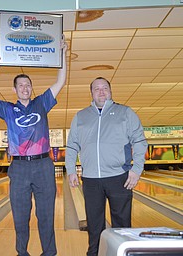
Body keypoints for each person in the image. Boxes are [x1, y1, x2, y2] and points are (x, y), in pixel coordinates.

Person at [0, 37, 67, 256]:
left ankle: (49, 253)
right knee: (20, 215)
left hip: (44, 164)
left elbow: (60, 81)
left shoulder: (41, 103)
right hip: (19, 167)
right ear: (15, 89)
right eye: (21, 85)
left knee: (45, 214)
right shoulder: (7, 109)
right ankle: (22, 253)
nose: (25, 88)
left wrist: (63, 53)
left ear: (31, 88)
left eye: (28, 84)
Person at [65, 77, 148, 256]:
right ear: (91, 93)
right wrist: (70, 169)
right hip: (91, 179)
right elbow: (72, 145)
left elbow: (140, 141)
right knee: (94, 225)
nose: (101, 91)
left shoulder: (125, 112)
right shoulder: (81, 116)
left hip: (119, 177)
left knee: (122, 224)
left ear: (111, 91)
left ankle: (124, 253)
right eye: (97, 89)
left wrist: (136, 169)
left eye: (105, 88)